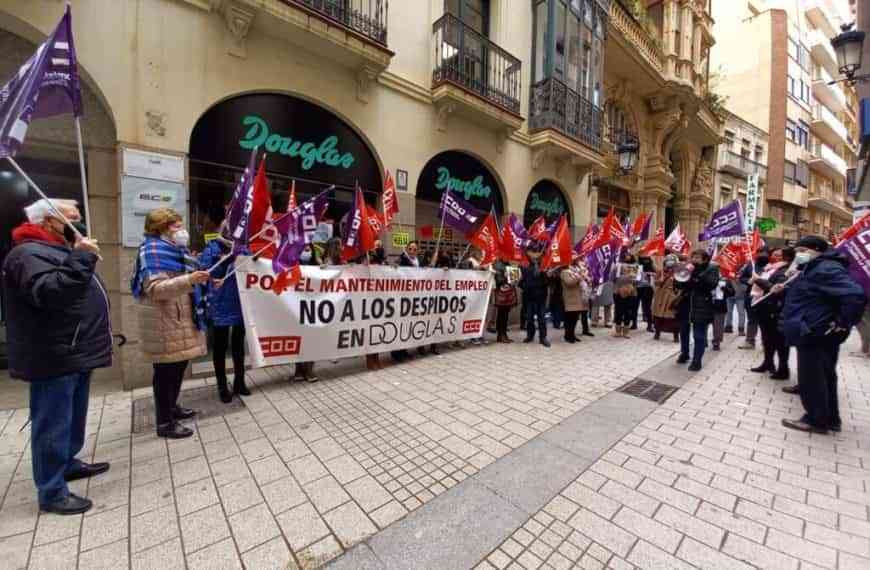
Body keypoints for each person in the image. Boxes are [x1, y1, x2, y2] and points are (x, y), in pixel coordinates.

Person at [3, 199, 111, 515]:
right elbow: (51, 292)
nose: (78, 224)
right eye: (72, 219)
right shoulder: (27, 254)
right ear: (50, 221)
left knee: (73, 416)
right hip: (54, 353)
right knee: (52, 421)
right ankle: (51, 491)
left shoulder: (56, 249)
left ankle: (67, 463)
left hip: (74, 349)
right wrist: (82, 258)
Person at [131, 208, 209, 439]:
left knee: (177, 368)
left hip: (178, 318)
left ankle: (172, 407)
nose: (182, 230)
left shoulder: (176, 251)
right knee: (166, 372)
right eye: (176, 226)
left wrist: (201, 280)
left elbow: (187, 278)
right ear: (161, 228)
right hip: (163, 320)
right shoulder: (152, 251)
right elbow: (155, 289)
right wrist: (189, 280)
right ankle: (164, 422)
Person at [780, 236, 867, 433]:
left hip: (815, 332)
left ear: (816, 249)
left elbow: (855, 295)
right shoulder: (815, 267)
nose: (798, 254)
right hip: (817, 330)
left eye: (802, 249)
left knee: (813, 377)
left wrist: (842, 323)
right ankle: (831, 418)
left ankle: (815, 420)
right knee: (825, 375)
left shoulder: (825, 268)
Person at [199, 229, 248, 403]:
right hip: (220, 303)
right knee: (220, 346)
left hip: (240, 302)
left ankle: (239, 381)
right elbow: (205, 273)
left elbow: (251, 267)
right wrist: (223, 260)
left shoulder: (242, 248)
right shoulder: (211, 248)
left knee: (238, 344)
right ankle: (221, 385)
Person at [748, 248, 795, 380]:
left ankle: (783, 369)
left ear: (786, 258)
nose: (775, 257)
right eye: (774, 255)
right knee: (766, 339)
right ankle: (768, 363)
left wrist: (758, 280)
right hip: (764, 308)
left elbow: (777, 288)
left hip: (776, 310)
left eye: (779, 255)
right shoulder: (769, 268)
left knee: (780, 341)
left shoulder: (786, 270)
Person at [675, 250, 719, 371]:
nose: (694, 259)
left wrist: (696, 274)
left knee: (698, 335)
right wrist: (680, 276)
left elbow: (711, 285)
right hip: (686, 303)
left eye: (698, 257)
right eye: (693, 257)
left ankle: (697, 360)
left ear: (705, 259)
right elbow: (679, 285)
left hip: (702, 305)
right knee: (683, 331)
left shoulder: (712, 269)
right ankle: (684, 353)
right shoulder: (688, 268)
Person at [292, 244, 323, 381]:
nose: (306, 250)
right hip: (295, 305)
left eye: (308, 248)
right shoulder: (291, 262)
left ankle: (309, 370)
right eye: (303, 247)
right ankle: (299, 370)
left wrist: (325, 269)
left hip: (312, 306)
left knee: (312, 338)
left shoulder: (317, 264)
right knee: (297, 337)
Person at [392, 241, 422, 362]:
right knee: (400, 324)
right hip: (402, 296)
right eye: (410, 249)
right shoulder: (402, 258)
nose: (412, 251)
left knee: (407, 326)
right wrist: (394, 267)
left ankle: (404, 350)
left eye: (415, 249)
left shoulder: (418, 261)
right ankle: (396, 353)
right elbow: (393, 266)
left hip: (413, 297)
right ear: (407, 249)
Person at [738, 248, 769, 349]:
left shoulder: (771, 266)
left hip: (766, 297)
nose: (762, 255)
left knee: (765, 321)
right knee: (752, 319)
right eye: (760, 253)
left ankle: (766, 342)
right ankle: (750, 341)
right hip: (751, 296)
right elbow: (742, 278)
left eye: (764, 253)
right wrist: (749, 281)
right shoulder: (751, 264)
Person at [519, 246, 550, 347]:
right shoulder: (523, 265)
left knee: (542, 317)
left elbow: (548, 282)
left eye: (537, 252)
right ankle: (530, 335)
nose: (534, 255)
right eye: (532, 252)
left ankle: (543, 337)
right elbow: (519, 281)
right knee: (529, 318)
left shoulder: (545, 264)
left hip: (541, 295)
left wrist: (548, 275)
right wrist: (524, 285)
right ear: (528, 253)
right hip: (528, 296)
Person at [365, 240, 387, 370]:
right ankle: (369, 359)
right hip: (368, 301)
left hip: (380, 300)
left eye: (380, 246)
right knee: (369, 331)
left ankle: (376, 357)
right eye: (376, 246)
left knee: (377, 329)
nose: (378, 248)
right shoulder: (365, 261)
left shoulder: (383, 263)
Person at [652, 254, 681, 342]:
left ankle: (676, 335)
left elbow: (682, 283)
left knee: (673, 317)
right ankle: (657, 332)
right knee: (658, 315)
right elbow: (656, 282)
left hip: (673, 296)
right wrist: (660, 280)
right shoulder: (661, 271)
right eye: (668, 261)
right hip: (661, 296)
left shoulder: (679, 272)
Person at [561, 255, 590, 343]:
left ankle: (572, 334)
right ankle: (568, 336)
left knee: (574, 318)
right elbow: (569, 282)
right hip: (570, 298)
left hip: (577, 297)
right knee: (570, 319)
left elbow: (579, 279)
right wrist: (579, 276)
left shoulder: (572, 271)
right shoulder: (564, 272)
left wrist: (583, 277)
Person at [493, 258, 518, 343]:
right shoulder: (497, 264)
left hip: (508, 293)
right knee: (501, 314)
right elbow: (497, 279)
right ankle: (501, 335)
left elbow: (513, 279)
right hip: (501, 293)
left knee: (505, 314)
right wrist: (505, 276)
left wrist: (515, 276)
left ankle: (504, 334)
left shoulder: (508, 263)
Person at [612, 257, 638, 338]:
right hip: (618, 292)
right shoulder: (617, 266)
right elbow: (612, 278)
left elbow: (638, 281)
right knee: (619, 311)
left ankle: (625, 332)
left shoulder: (635, 267)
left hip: (630, 292)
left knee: (627, 312)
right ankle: (619, 331)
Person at [710, 276, 735, 351]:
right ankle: (703, 340)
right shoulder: (707, 277)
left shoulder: (726, 280)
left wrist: (724, 288)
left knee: (718, 325)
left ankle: (716, 341)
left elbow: (732, 293)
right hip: (707, 304)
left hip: (720, 306)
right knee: (704, 324)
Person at [635, 255, 656, 331]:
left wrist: (650, 274)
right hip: (637, 288)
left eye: (647, 260)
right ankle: (634, 323)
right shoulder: (637, 266)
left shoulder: (652, 266)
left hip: (648, 288)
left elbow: (656, 275)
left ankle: (650, 325)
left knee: (648, 307)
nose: (646, 262)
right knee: (634, 306)